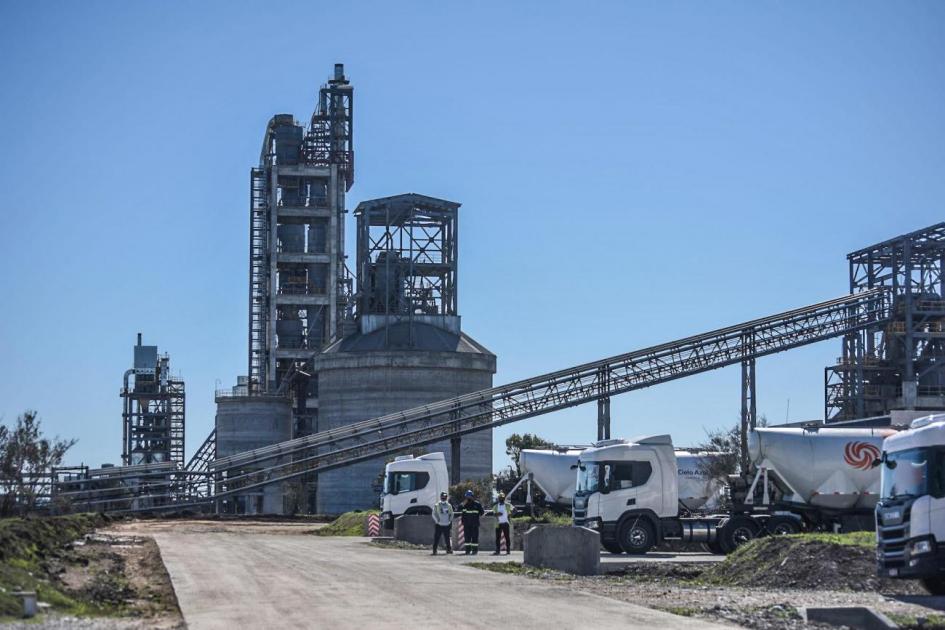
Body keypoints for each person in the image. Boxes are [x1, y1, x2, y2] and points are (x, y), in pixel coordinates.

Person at [460, 489, 484, 555]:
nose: (468, 498)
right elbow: (458, 509)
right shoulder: (464, 504)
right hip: (466, 524)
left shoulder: (477, 504)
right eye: (467, 497)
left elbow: (482, 513)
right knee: (467, 538)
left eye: (469, 496)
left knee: (474, 538)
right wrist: (463, 503)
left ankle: (474, 551)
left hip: (475, 524)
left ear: (472, 496)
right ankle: (467, 551)